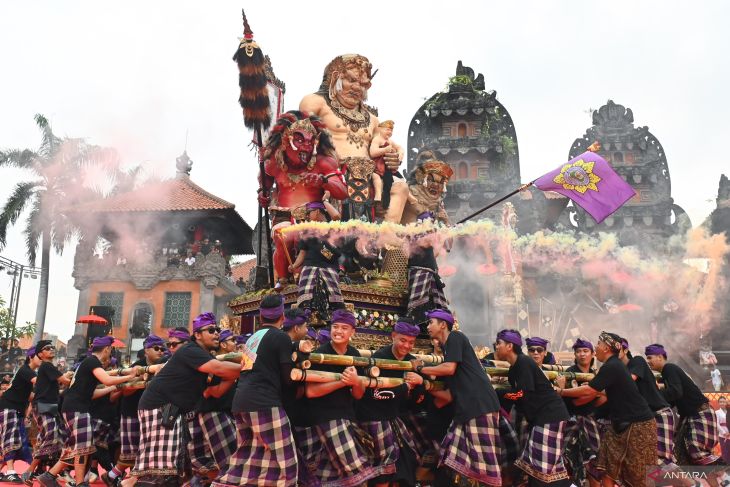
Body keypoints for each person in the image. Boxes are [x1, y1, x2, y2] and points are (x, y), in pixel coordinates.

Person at [131, 314, 241, 487]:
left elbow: (216, 391)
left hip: (173, 411)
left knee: (171, 470)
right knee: (161, 472)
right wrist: (249, 366)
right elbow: (219, 368)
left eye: (217, 330)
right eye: (211, 330)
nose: (216, 333)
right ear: (197, 334)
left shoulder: (206, 357)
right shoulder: (190, 350)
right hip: (160, 408)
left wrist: (236, 373)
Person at [212, 295, 298, 487]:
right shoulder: (281, 337)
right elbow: (288, 377)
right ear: (283, 317)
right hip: (264, 403)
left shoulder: (253, 338)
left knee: (250, 462)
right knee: (287, 467)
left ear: (260, 317)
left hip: (241, 403)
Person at [412, 309, 502, 486]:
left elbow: (449, 368)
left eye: (431, 322)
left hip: (479, 405)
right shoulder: (448, 348)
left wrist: (420, 369)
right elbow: (448, 395)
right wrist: (425, 383)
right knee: (454, 456)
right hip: (467, 410)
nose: (427, 326)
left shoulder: (455, 337)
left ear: (443, 325)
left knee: (483, 463)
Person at [37, 336, 138, 487]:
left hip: (74, 407)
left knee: (78, 447)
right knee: (82, 447)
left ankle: (50, 476)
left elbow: (92, 393)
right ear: (107, 349)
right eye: (111, 350)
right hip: (76, 409)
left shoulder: (88, 363)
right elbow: (107, 380)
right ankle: (79, 483)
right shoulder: (92, 362)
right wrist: (130, 376)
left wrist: (116, 386)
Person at [559, 332, 657, 487]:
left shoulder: (612, 366)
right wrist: (578, 401)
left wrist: (560, 391)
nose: (596, 347)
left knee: (638, 474)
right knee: (606, 468)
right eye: (579, 351)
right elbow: (595, 396)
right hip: (618, 426)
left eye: (598, 344)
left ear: (606, 348)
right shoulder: (611, 366)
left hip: (638, 424)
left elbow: (589, 391)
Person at [305, 308, 377, 487]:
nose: (338, 331)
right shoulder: (320, 354)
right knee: (358, 472)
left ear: (353, 332)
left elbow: (358, 394)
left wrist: (356, 382)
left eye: (344, 328)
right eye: (335, 326)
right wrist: (342, 382)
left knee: (332, 478)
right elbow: (311, 392)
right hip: (325, 419)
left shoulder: (355, 354)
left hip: (348, 417)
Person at [495, 329, 571, 487]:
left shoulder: (524, 363)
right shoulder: (514, 369)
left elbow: (521, 394)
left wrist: (498, 392)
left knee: (542, 471)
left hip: (550, 416)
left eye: (499, 343)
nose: (496, 347)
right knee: (541, 469)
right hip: (541, 419)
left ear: (509, 346)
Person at [356, 317, 424, 487]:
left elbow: (417, 398)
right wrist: (406, 387)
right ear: (393, 336)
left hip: (393, 416)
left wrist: (420, 382)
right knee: (384, 469)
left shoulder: (412, 361)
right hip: (373, 417)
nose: (406, 346)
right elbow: (376, 394)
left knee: (408, 459)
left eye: (411, 342)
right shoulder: (380, 358)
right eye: (403, 340)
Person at [103, 335, 166, 487]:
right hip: (131, 412)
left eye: (162, 349)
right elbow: (125, 392)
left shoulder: (163, 365)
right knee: (133, 452)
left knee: (146, 450)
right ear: (146, 350)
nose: (160, 351)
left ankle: (114, 476)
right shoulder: (137, 366)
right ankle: (118, 477)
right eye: (156, 348)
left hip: (152, 413)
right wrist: (140, 380)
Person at [645, 343, 722, 466]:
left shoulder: (669, 368)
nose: (647, 361)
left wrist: (654, 394)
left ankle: (723, 474)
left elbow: (676, 392)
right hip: (693, 415)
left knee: (697, 452)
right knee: (683, 455)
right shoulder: (667, 374)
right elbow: (672, 400)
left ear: (660, 356)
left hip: (700, 413)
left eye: (650, 357)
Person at [618, 339, 678, 472]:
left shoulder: (637, 361)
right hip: (647, 418)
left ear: (625, 350)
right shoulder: (623, 370)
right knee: (648, 460)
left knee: (662, 460)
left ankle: (693, 482)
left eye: (616, 349)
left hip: (660, 414)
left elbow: (628, 381)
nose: (648, 360)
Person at [555, 338, 601, 487]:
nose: (582, 354)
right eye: (578, 351)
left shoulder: (596, 374)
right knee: (573, 461)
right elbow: (570, 402)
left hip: (591, 422)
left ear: (592, 354)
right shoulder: (568, 374)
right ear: (574, 355)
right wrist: (563, 389)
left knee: (595, 462)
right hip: (572, 422)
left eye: (585, 351)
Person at [25, 341, 73, 485]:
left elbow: (60, 385)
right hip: (43, 407)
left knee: (56, 439)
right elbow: (66, 382)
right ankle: (31, 471)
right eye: (47, 348)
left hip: (49, 408)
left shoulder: (48, 367)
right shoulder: (47, 366)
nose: (51, 349)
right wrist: (80, 377)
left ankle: (43, 473)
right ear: (40, 354)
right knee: (51, 437)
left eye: (52, 347)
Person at [197, 329, 237, 479]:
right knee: (228, 466)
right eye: (232, 340)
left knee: (231, 462)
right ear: (224, 345)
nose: (236, 343)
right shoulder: (214, 363)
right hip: (213, 413)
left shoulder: (231, 362)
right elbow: (211, 392)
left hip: (226, 413)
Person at [290, 201, 344, 312]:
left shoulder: (332, 227)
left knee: (334, 305)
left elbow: (336, 216)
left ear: (317, 211)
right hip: (309, 268)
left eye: (309, 213)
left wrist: (324, 201)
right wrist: (294, 265)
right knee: (306, 305)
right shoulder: (307, 231)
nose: (307, 216)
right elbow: (303, 252)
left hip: (329, 268)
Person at [0, 346, 41, 483]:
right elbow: (42, 383)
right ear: (31, 357)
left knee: (13, 441)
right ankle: (10, 471)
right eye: (40, 356)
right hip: (9, 408)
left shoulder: (27, 373)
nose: (43, 359)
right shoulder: (26, 370)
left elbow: (29, 395)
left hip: (15, 409)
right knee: (10, 439)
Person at [406, 211, 449, 325]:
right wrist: (440, 234)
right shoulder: (416, 236)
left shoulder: (429, 237)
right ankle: (415, 323)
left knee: (432, 303)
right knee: (418, 304)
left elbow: (434, 254)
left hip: (430, 274)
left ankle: (429, 325)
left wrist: (442, 237)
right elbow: (426, 242)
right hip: (420, 273)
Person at [717, 396, 730, 463]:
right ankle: (726, 465)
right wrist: (724, 433)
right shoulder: (717, 412)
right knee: (725, 450)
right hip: (723, 435)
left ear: (726, 403)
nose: (722, 403)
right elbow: (717, 424)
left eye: (723, 402)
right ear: (718, 403)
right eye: (720, 402)